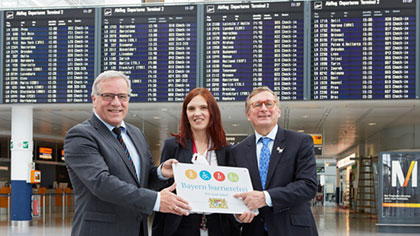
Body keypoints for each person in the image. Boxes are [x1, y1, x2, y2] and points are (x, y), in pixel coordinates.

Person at [64, 70, 190, 236]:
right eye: (108, 95)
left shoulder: (135, 134)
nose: (116, 103)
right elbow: (101, 183)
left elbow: (142, 182)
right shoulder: (81, 135)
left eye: (122, 96)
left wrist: (161, 173)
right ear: (94, 99)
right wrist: (157, 200)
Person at [231, 87, 318, 236]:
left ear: (278, 111)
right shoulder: (237, 151)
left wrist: (266, 197)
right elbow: (233, 191)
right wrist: (237, 215)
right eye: (257, 105)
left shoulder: (300, 142)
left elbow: (308, 186)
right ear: (248, 115)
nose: (263, 109)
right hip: (253, 231)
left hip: (293, 230)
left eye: (269, 104)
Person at [152, 88, 239, 236]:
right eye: (191, 108)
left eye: (203, 107)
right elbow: (162, 187)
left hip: (218, 225)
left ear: (213, 112)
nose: (197, 113)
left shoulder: (226, 150)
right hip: (181, 226)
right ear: (186, 114)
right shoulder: (173, 146)